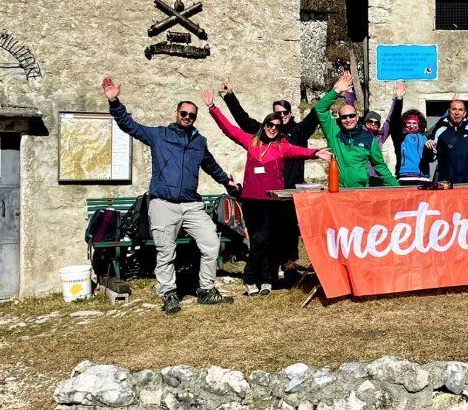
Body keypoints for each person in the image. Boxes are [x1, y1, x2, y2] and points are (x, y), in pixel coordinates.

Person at [102, 76, 239, 315]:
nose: (187, 117)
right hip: (163, 204)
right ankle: (168, 294)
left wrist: (226, 180)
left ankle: (206, 290)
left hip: (191, 205)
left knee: (211, 244)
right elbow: (129, 125)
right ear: (177, 113)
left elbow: (210, 164)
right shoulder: (159, 135)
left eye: (192, 115)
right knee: (166, 252)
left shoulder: (199, 142)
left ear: (195, 118)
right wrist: (115, 102)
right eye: (183, 113)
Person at [202, 91, 331, 295]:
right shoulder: (251, 142)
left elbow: (300, 152)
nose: (273, 129)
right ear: (264, 126)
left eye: (277, 127)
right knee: (259, 241)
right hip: (253, 201)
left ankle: (267, 280)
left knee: (271, 241)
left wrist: (316, 153)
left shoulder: (281, 147)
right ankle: (251, 277)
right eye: (270, 125)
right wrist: (212, 108)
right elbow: (228, 129)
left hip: (273, 201)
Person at [314, 70, 399, 189]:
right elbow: (320, 109)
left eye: (351, 116)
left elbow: (380, 166)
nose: (348, 119)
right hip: (337, 191)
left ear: (357, 117)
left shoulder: (369, 139)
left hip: (360, 193)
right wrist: (337, 91)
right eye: (344, 117)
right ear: (340, 119)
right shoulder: (334, 132)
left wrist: (399, 188)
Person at [346, 82, 404, 185]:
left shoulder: (380, 136)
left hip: (376, 177)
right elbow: (351, 113)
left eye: (376, 122)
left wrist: (398, 98)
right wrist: (350, 93)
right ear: (365, 122)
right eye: (370, 121)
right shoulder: (358, 133)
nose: (373, 124)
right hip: (362, 177)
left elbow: (390, 118)